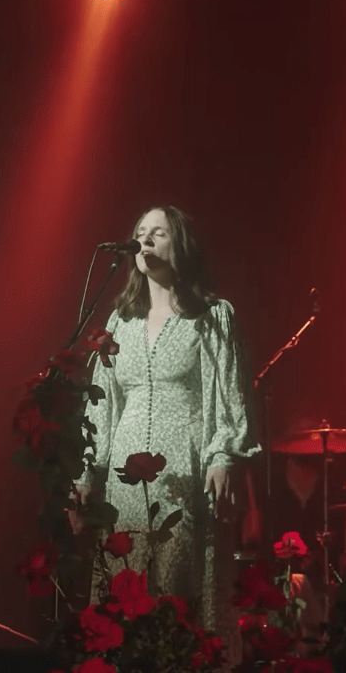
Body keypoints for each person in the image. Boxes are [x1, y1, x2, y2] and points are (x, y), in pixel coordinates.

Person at [78, 206, 261, 655]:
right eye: (140, 233)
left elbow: (227, 392)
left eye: (158, 233)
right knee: (127, 584)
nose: (146, 241)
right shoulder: (120, 320)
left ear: (180, 245)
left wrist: (222, 456)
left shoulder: (213, 315)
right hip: (124, 475)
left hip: (183, 466)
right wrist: (86, 473)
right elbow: (102, 404)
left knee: (177, 585)